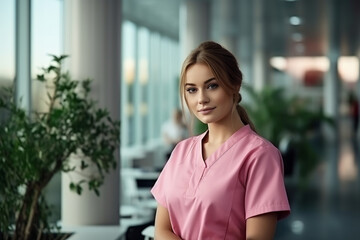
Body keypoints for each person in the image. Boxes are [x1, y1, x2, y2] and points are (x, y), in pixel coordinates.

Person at [151, 41, 290, 240]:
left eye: (212, 86)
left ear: (235, 85)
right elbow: (162, 231)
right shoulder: (181, 151)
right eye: (192, 90)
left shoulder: (260, 155)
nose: (201, 99)